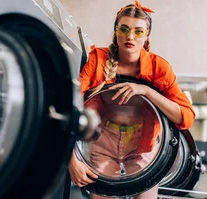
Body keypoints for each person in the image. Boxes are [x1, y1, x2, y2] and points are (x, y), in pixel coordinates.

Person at [68, 1, 195, 198]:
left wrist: (145, 91)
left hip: (142, 145)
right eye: (124, 29)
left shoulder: (158, 68)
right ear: (116, 31)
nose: (130, 36)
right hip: (103, 139)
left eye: (138, 31)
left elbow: (185, 117)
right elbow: (70, 105)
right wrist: (72, 160)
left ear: (147, 36)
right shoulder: (98, 59)